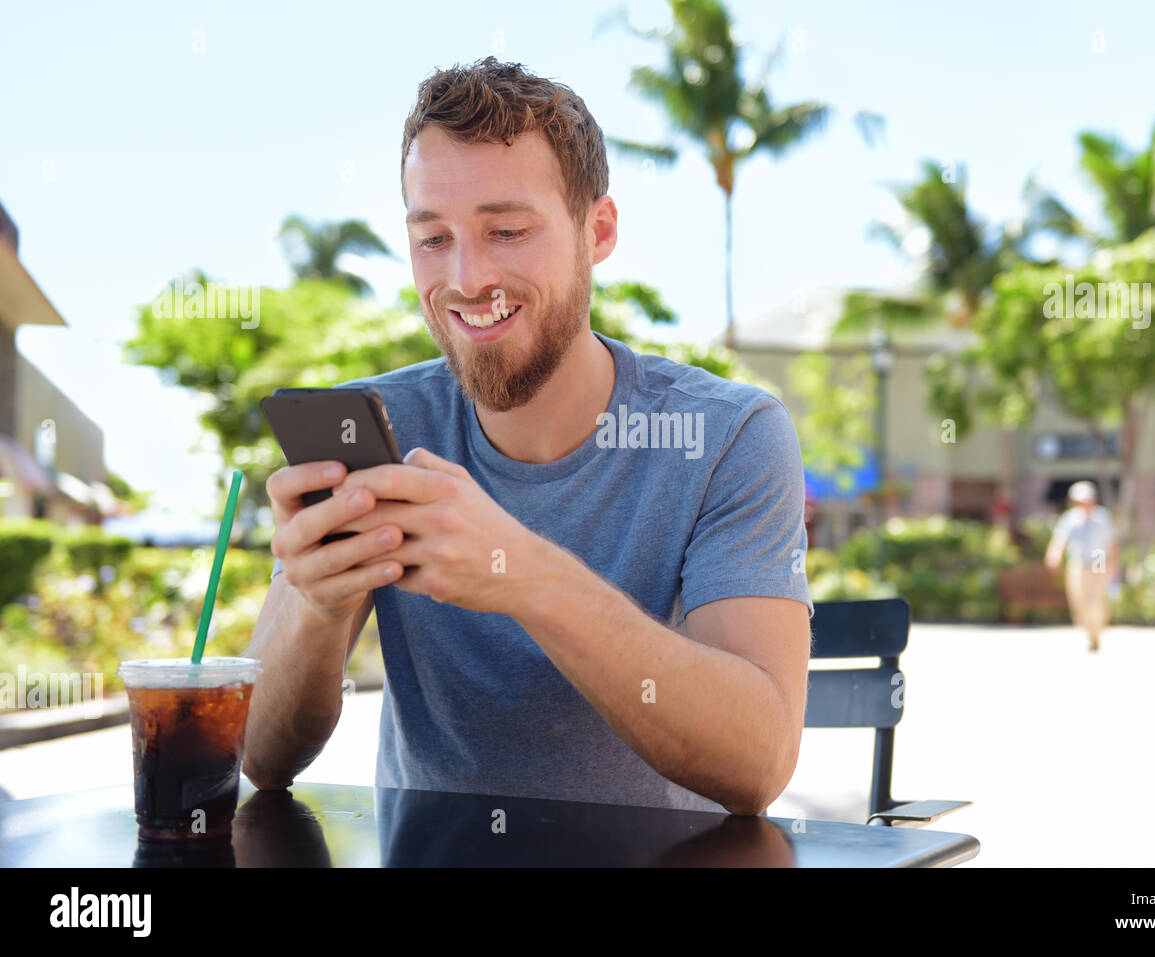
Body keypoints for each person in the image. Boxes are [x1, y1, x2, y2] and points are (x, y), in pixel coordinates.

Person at [244, 58, 813, 816]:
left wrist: (522, 574)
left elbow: (758, 760)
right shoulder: (380, 425)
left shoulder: (727, 437)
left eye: (506, 231)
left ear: (597, 230)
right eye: (433, 238)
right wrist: (314, 604)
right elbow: (260, 756)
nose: (468, 277)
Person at [1045, 481, 1119, 652]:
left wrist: (1114, 564)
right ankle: (1089, 632)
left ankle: (1097, 631)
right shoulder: (1070, 518)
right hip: (1078, 561)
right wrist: (1054, 555)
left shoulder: (1102, 517)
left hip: (1099, 558)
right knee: (1078, 598)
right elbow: (1059, 540)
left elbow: (1112, 543)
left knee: (1097, 598)